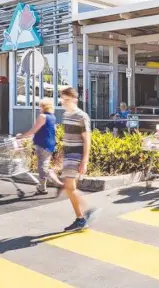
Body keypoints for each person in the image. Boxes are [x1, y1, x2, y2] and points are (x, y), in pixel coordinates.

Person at [60, 87, 98, 232]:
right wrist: (61, 156)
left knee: (69, 187)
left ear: (75, 100)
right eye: (63, 99)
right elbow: (66, 138)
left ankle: (86, 213)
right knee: (69, 188)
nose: (64, 102)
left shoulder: (82, 116)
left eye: (67, 100)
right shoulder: (65, 116)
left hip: (76, 155)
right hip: (68, 154)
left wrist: (85, 160)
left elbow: (87, 139)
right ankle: (81, 218)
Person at [17, 98, 63, 194]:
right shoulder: (52, 117)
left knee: (43, 168)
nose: (39, 108)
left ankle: (57, 182)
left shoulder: (42, 116)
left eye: (40, 106)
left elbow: (34, 130)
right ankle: (42, 188)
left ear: (44, 106)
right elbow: (48, 130)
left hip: (42, 143)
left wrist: (22, 136)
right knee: (43, 165)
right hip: (50, 144)